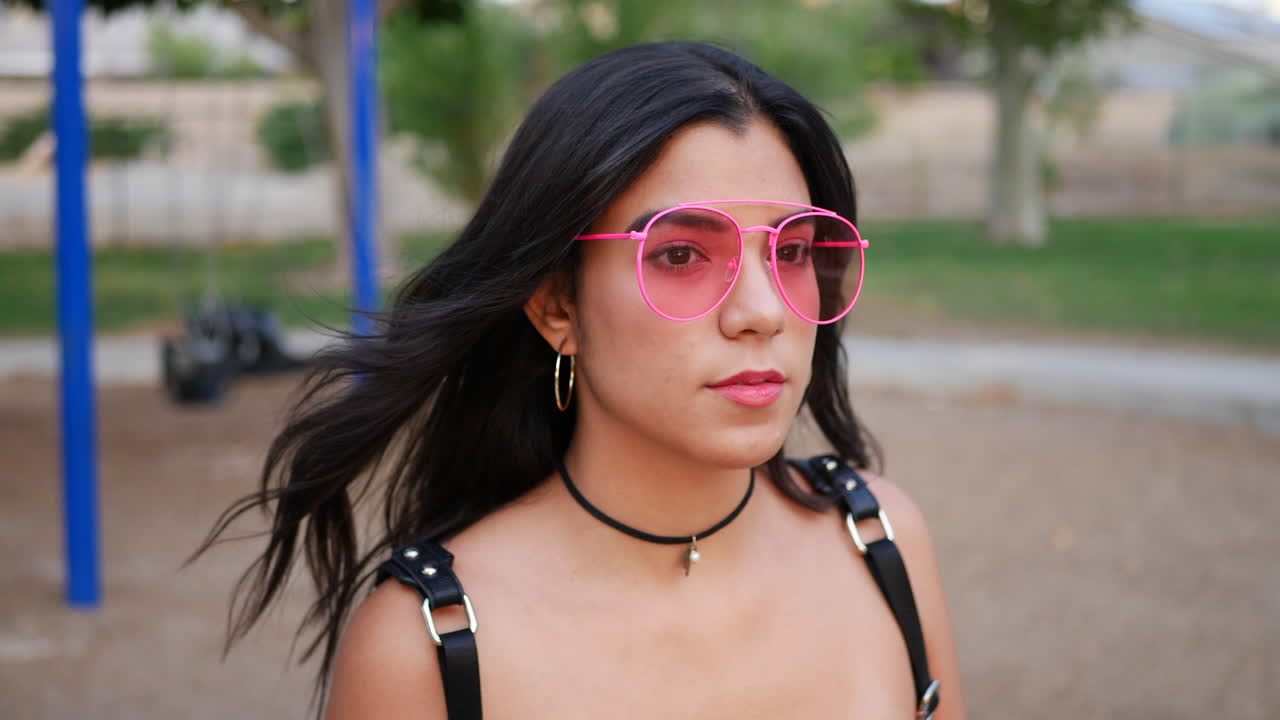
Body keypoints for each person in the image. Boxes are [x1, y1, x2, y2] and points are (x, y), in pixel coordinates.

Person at [199, 41, 967, 719]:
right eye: (679, 255)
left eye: (793, 251)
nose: (763, 312)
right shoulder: (428, 645)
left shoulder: (881, 545)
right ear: (556, 303)